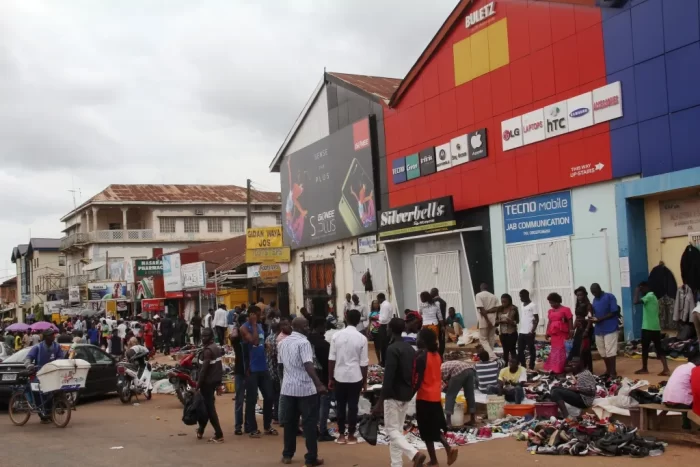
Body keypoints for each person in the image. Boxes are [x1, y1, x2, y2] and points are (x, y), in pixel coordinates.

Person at [371, 318, 426, 467]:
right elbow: (415, 373)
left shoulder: (392, 349)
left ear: (390, 330)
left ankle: (414, 454)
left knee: (391, 431)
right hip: (406, 394)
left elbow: (388, 377)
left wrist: (379, 402)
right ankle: (396, 464)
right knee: (397, 431)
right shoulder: (409, 348)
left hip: (393, 395)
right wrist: (411, 391)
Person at [278, 317, 327, 466]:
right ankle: (311, 458)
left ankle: (287, 455)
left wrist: (284, 382)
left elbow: (280, 366)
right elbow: (308, 364)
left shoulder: (282, 343)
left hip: (288, 389)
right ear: (299, 327)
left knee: (290, 423)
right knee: (309, 424)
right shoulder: (304, 342)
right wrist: (318, 384)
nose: (307, 327)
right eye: (305, 325)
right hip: (306, 389)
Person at [414, 328, 458, 467]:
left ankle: (436, 459)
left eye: (419, 337)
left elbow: (418, 379)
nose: (417, 340)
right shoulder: (437, 355)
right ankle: (446, 450)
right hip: (435, 396)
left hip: (424, 397)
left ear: (423, 340)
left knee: (426, 431)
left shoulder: (422, 357)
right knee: (434, 428)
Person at [329, 309, 368, 445]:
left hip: (339, 376)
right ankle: (351, 435)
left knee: (340, 406)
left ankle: (340, 435)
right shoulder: (362, 338)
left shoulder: (336, 336)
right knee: (353, 406)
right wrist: (364, 382)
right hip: (355, 376)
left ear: (346, 318)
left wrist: (330, 378)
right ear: (358, 321)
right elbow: (364, 363)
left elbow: (331, 359)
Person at [240, 306, 277, 438]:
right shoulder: (244, 327)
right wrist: (254, 324)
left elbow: (260, 341)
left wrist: (266, 345)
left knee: (269, 396)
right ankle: (253, 428)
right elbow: (254, 340)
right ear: (252, 314)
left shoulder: (260, 326)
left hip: (263, 367)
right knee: (251, 399)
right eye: (257, 314)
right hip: (252, 368)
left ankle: (267, 426)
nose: (260, 316)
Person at [24, 329, 65, 423]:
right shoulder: (37, 347)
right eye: (51, 336)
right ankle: (42, 414)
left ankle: (49, 413)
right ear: (46, 337)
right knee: (38, 393)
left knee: (51, 394)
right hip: (39, 374)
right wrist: (29, 365)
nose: (53, 337)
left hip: (52, 373)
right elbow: (28, 358)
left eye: (53, 335)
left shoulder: (57, 347)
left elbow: (60, 357)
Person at [634, 281, 671, 376]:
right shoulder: (654, 297)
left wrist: (636, 291)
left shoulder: (649, 296)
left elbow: (635, 302)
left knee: (645, 349)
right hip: (656, 327)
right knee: (659, 348)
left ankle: (644, 368)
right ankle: (666, 369)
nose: (641, 291)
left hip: (647, 327)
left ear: (645, 288)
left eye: (642, 289)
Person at [195, 328, 224, 443]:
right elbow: (219, 367)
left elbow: (203, 371)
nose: (203, 338)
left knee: (209, 409)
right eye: (202, 336)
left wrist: (197, 385)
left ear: (211, 337)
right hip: (213, 382)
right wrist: (219, 383)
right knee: (206, 408)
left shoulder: (207, 351)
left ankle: (219, 433)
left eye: (205, 336)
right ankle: (201, 430)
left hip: (207, 384)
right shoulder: (216, 348)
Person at [307, 317, 333, 442]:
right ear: (319, 327)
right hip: (321, 376)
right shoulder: (323, 344)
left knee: (311, 405)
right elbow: (328, 363)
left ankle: (312, 429)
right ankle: (322, 431)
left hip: (307, 376)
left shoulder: (307, 340)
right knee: (324, 404)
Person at [590, 283, 620, 377]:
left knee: (610, 350)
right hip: (599, 329)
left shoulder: (609, 296)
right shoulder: (595, 300)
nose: (594, 294)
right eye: (592, 292)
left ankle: (613, 372)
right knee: (602, 350)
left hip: (610, 327)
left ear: (599, 289)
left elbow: (614, 312)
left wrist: (601, 319)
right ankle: (608, 370)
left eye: (595, 291)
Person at [543, 293, 572, 375]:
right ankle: (553, 367)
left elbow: (570, 320)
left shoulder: (566, 309)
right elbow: (550, 321)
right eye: (550, 303)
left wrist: (571, 331)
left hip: (562, 333)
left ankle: (560, 368)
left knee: (561, 350)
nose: (551, 305)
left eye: (553, 303)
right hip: (554, 334)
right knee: (554, 350)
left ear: (558, 301)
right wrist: (547, 332)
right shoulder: (551, 311)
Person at [441, 359, 477, 427]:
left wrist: (448, 392)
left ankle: (448, 422)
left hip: (459, 370)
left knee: (450, 395)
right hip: (469, 369)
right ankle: (473, 419)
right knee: (470, 395)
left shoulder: (437, 371)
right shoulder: (444, 366)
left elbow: (443, 387)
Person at [231, 313, 249, 436]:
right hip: (239, 371)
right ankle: (238, 425)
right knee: (239, 399)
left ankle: (248, 425)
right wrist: (238, 327)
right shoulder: (237, 338)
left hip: (250, 371)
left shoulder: (250, 337)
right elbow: (233, 336)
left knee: (250, 399)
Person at [569, 287, 593, 371]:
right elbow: (577, 318)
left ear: (585, 295)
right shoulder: (578, 304)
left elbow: (590, 318)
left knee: (585, 349)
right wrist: (573, 329)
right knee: (577, 348)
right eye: (577, 295)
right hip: (579, 329)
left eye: (581, 295)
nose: (579, 297)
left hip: (586, 329)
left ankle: (588, 369)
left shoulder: (588, 305)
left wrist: (586, 330)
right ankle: (580, 368)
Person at [475, 283, 500, 360]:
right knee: (491, 338)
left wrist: (487, 320)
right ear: (487, 288)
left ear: (481, 288)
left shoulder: (478, 295)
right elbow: (497, 308)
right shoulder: (494, 296)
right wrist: (490, 319)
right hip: (493, 319)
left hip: (484, 320)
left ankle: (492, 356)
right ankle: (490, 356)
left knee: (483, 339)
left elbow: (481, 309)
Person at [517, 289, 539, 370]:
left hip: (529, 332)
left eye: (522, 296)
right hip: (521, 331)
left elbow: (536, 319)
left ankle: (531, 366)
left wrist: (532, 330)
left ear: (527, 295)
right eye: (520, 296)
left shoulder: (533, 305)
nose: (521, 298)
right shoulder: (522, 305)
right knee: (520, 350)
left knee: (531, 349)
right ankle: (523, 365)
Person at [266, 320, 282, 424]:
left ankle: (275, 416)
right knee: (279, 395)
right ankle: (278, 416)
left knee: (272, 395)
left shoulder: (268, 338)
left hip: (270, 369)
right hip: (277, 370)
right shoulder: (278, 339)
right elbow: (277, 356)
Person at [496, 294, 519, 364]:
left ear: (509, 301)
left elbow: (517, 321)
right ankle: (505, 366)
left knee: (512, 350)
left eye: (505, 302)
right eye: (502, 302)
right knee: (505, 351)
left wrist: (510, 322)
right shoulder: (499, 309)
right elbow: (496, 321)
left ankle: (515, 366)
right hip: (502, 334)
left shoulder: (514, 309)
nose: (503, 303)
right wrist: (496, 325)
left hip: (511, 333)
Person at [377, 293, 394, 367]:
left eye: (378, 299)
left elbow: (384, 318)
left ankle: (384, 362)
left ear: (380, 298)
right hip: (387, 326)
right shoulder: (387, 304)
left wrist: (378, 318)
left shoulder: (385, 305)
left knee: (383, 345)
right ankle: (385, 361)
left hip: (384, 326)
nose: (377, 301)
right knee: (386, 345)